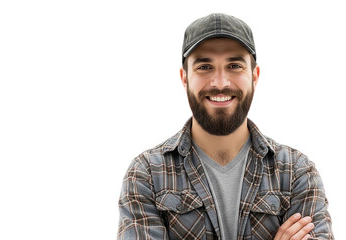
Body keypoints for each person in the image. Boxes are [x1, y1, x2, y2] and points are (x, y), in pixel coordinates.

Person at [117, 13, 333, 240]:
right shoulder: (147, 174)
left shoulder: (296, 172)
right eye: (204, 67)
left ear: (254, 76)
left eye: (234, 65)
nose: (220, 82)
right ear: (185, 78)